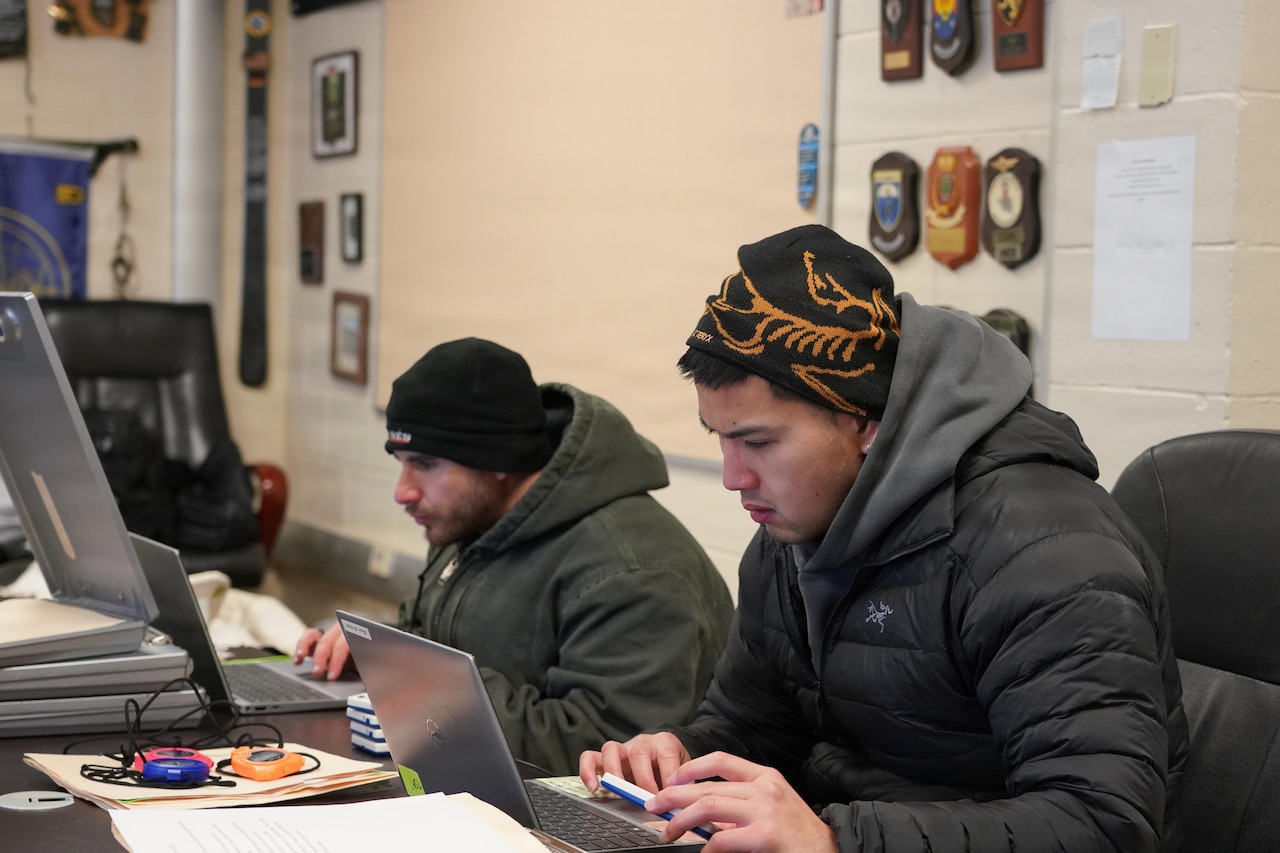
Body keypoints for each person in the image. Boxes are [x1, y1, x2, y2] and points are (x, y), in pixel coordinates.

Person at [579, 225, 1189, 852]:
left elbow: (1103, 825)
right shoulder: (793, 529)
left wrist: (835, 839)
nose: (736, 478)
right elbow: (755, 725)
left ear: (865, 420)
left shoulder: (1044, 550)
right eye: (719, 438)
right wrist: (680, 759)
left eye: (758, 442)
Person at [296, 337, 734, 776]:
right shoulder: (471, 517)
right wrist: (373, 650)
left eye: (425, 464)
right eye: (401, 461)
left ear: (498, 459)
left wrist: (418, 678)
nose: (402, 491)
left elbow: (601, 754)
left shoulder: (631, 570)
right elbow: (429, 632)